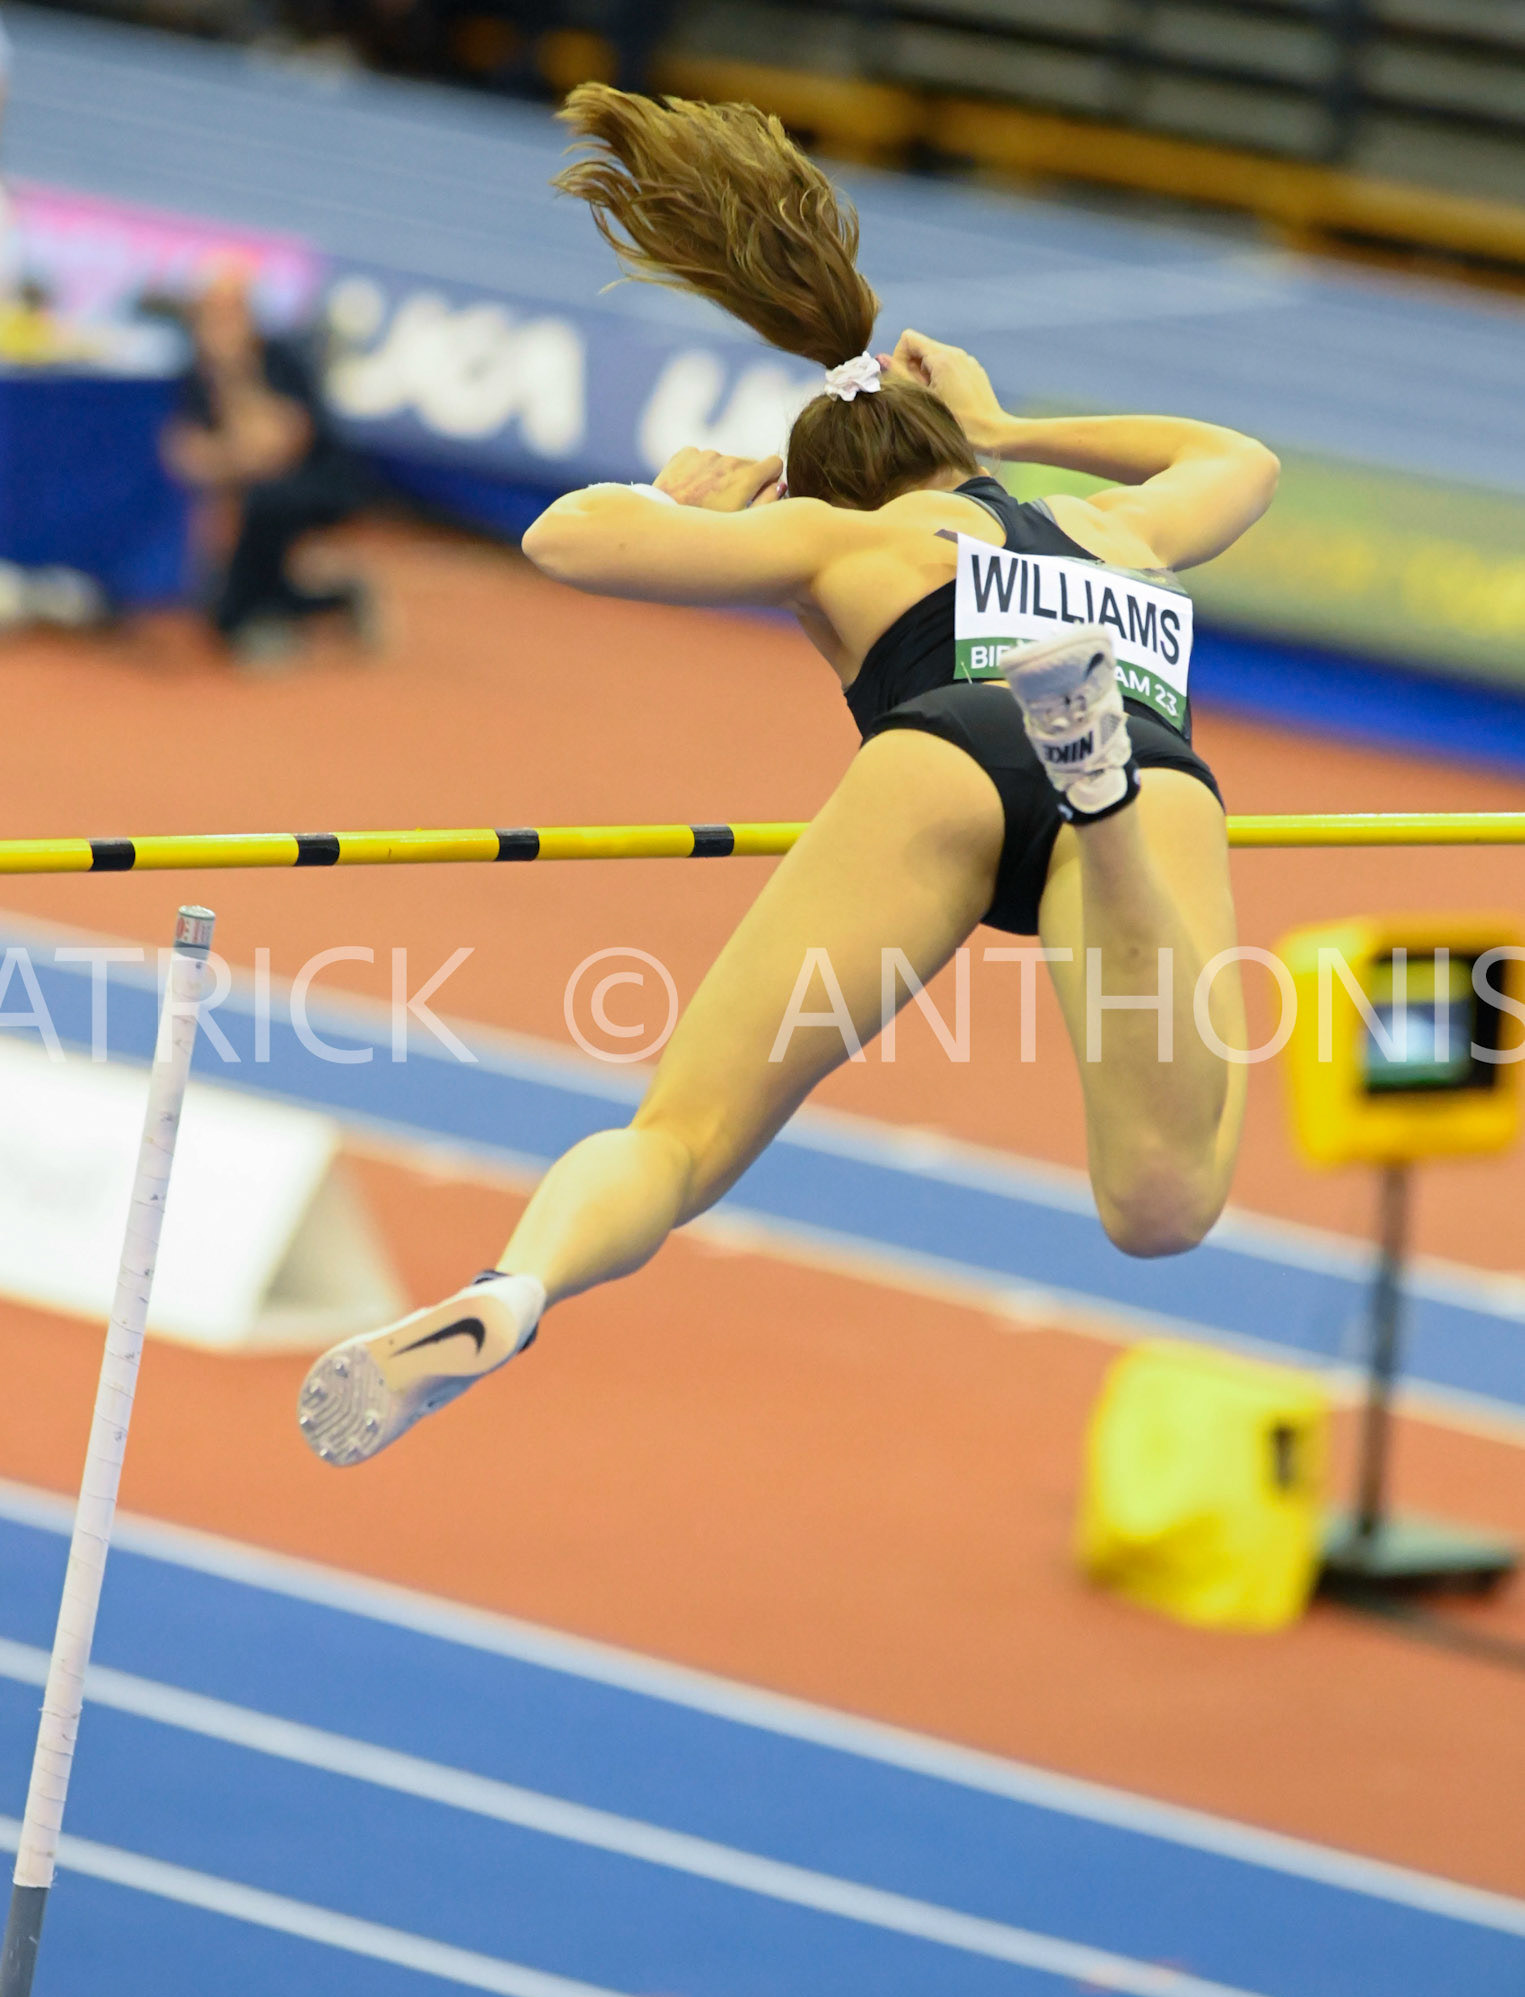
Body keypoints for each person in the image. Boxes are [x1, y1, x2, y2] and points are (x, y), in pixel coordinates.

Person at [297, 85, 1279, 1468]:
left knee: (679, 1140)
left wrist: (674, 500)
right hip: (1146, 761)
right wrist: (1008, 430)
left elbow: (564, 538)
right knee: (1163, 1206)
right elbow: (1239, 457)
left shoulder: (839, 543)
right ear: (949, 451)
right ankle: (1095, 791)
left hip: (940, 762)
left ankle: (514, 1287)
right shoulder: (1117, 532)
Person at [162, 270, 373, 661]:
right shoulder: (197, 371)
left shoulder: (279, 358)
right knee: (222, 604)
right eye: (209, 312)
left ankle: (265, 621)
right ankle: (333, 600)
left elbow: (275, 448)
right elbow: (185, 456)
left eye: (228, 311)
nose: (217, 323)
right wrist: (231, 456)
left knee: (262, 513)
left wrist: (235, 375)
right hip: (257, 492)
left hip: (322, 484)